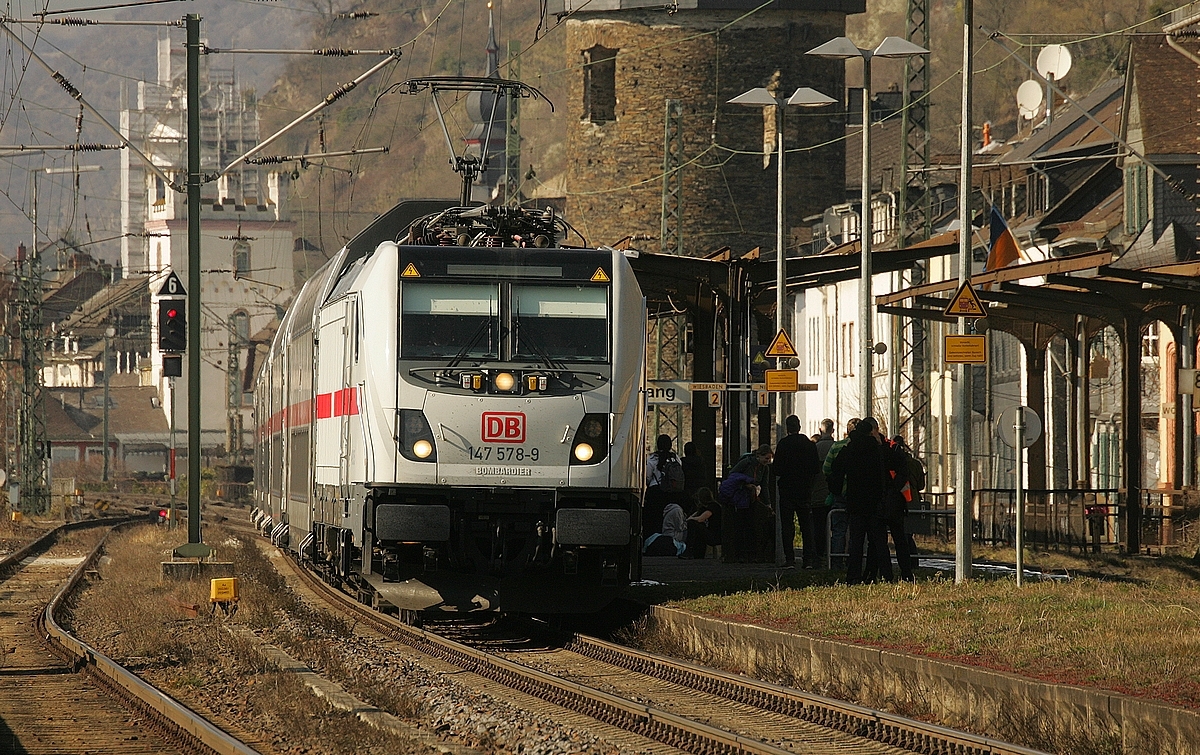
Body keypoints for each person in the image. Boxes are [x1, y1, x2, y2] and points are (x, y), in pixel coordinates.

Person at [825, 416, 892, 584]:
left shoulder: (850, 448)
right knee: (878, 541)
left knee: (856, 541)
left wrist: (837, 490)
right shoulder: (877, 449)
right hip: (875, 499)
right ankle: (885, 575)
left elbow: (835, 469)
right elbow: (887, 470)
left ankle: (853, 576)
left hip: (855, 499)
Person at [773, 415, 820, 568]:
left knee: (787, 526)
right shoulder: (809, 445)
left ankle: (790, 559)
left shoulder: (783, 444)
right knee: (806, 526)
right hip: (805, 490)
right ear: (799, 427)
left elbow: (777, 469)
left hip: (787, 489)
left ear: (787, 428)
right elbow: (815, 468)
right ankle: (808, 560)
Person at [728, 445, 775, 562]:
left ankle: (750, 553)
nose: (768, 461)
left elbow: (765, 486)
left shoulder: (765, 468)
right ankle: (740, 554)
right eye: (766, 458)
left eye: (769, 459)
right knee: (741, 525)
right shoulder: (746, 463)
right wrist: (745, 484)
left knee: (751, 525)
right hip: (741, 495)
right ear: (759, 456)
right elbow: (732, 475)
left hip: (753, 498)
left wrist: (768, 503)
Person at [822, 418, 858, 563]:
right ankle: (854, 561)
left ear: (847, 431)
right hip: (858, 494)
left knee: (838, 530)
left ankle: (836, 563)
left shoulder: (837, 446)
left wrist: (836, 480)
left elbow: (826, 469)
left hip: (839, 494)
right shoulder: (864, 447)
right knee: (857, 531)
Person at [644, 434, 682, 536]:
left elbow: (647, 477)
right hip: (672, 493)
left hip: (655, 492)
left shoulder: (652, 459)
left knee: (654, 520)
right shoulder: (675, 458)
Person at [684, 487, 721, 559]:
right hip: (710, 533)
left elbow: (701, 519)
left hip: (715, 535)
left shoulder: (713, 506)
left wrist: (692, 519)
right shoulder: (704, 508)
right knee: (697, 529)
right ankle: (696, 553)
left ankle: (689, 550)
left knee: (694, 524)